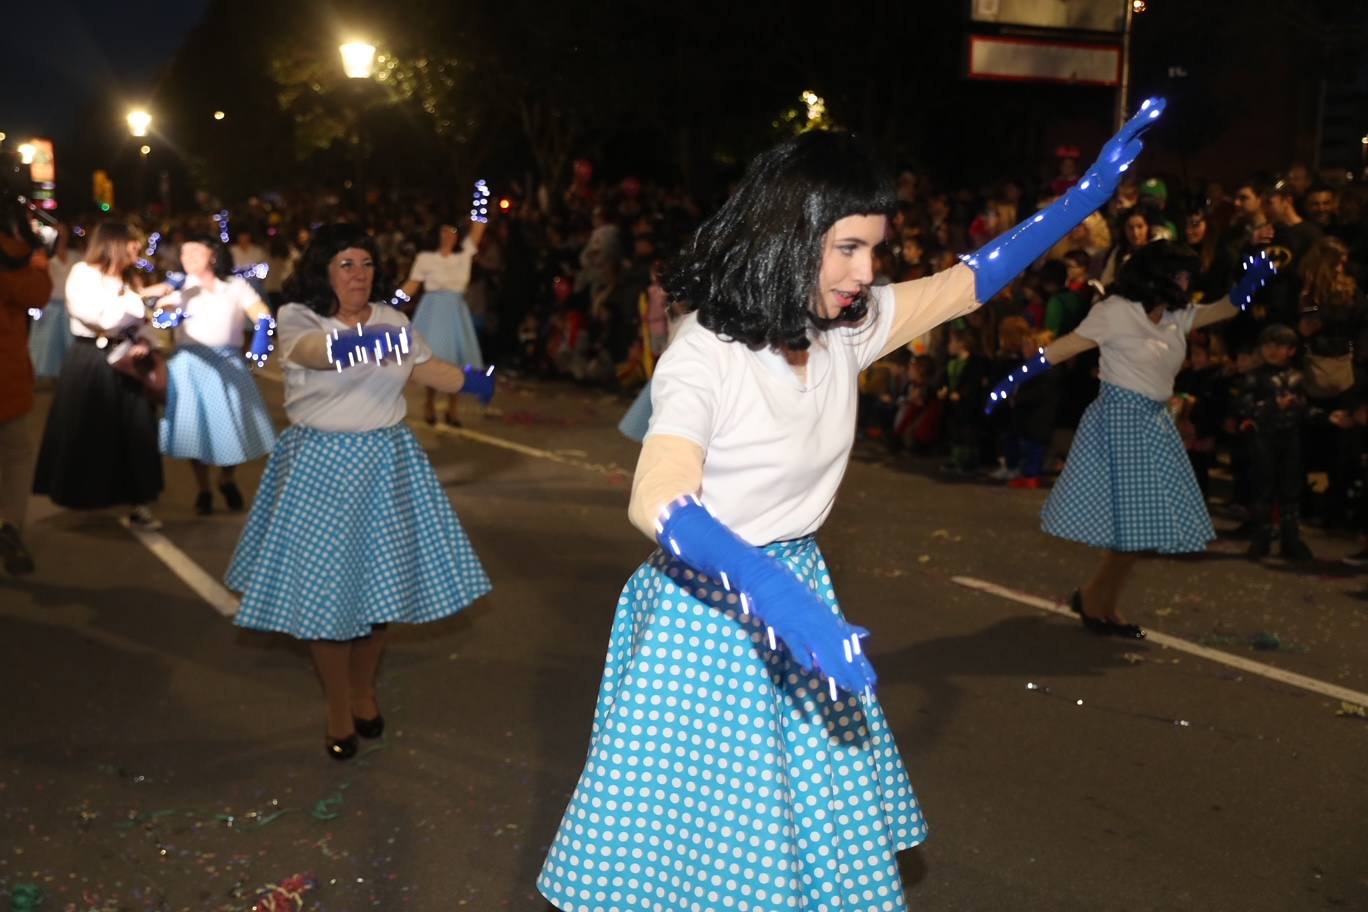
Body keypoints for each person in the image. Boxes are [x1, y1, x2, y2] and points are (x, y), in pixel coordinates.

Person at [539, 100, 1169, 911]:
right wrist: (771, 596)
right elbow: (658, 495)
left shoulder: (846, 328)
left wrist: (1082, 200)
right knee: (714, 851)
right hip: (707, 617)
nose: (866, 272)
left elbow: (970, 282)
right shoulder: (707, 355)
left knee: (805, 835)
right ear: (788, 235)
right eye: (847, 248)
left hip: (799, 588)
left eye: (873, 248)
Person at [224, 223, 495, 761]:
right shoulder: (298, 318)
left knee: (376, 599)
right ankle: (338, 706)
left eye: (366, 264)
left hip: (386, 465)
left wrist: (474, 379)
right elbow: (318, 353)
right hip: (320, 467)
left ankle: (364, 689)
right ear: (324, 270)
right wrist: (375, 340)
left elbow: (429, 369)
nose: (358, 274)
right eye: (346, 264)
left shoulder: (395, 320)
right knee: (328, 600)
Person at [988, 240, 1276, 638]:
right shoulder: (1114, 312)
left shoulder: (1179, 314)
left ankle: (1095, 599)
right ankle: (1096, 603)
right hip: (1119, 421)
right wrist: (1010, 382)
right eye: (1180, 274)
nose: (1187, 281)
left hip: (1155, 421)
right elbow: (1061, 349)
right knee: (1135, 532)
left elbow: (1226, 307)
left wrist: (1253, 281)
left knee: (1139, 533)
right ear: (1157, 276)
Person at [31, 221, 173, 530]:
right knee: (89, 429)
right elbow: (101, 316)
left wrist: (146, 340)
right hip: (92, 360)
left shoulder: (130, 277)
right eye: (133, 242)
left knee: (137, 431)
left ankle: (139, 502)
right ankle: (86, 495)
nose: (139, 248)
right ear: (115, 243)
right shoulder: (84, 274)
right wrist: (142, 300)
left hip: (129, 360)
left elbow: (142, 322)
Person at [152, 233, 276, 515]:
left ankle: (227, 478)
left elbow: (262, 314)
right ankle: (204, 488)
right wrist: (167, 316)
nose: (188, 259)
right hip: (189, 364)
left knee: (232, 426)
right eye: (184, 254)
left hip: (227, 363)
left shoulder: (235, 286)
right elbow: (160, 316)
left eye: (195, 253)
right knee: (195, 429)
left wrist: (261, 340)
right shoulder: (180, 287)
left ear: (213, 255)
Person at [0, 200, 54, 574]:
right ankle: (8, 523)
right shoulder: (13, 256)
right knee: (15, 456)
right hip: (6, 377)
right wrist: (36, 257)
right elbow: (37, 293)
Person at [401, 217, 488, 426]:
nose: (448, 236)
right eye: (443, 232)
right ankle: (429, 403)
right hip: (433, 311)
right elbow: (412, 284)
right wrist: (391, 303)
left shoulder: (463, 256)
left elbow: (478, 230)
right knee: (436, 358)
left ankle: (453, 408)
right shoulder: (426, 259)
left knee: (456, 361)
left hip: (455, 310)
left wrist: (481, 200)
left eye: (452, 232)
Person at [1235, 324, 1311, 560]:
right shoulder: (1255, 377)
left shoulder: (1299, 377)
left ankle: (1291, 539)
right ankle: (1261, 539)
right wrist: (1270, 406)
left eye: (1278, 345)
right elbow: (1244, 407)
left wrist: (1316, 413)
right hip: (1264, 437)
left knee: (1290, 490)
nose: (1272, 349)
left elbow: (1306, 408)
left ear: (1291, 350)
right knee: (1263, 488)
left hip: (1291, 438)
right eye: (1268, 344)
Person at [27, 222, 77, 381]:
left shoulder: (76, 256)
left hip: (70, 308)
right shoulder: (40, 258)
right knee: (46, 346)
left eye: (63, 234)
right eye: (57, 234)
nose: (60, 238)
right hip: (49, 307)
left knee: (70, 345)